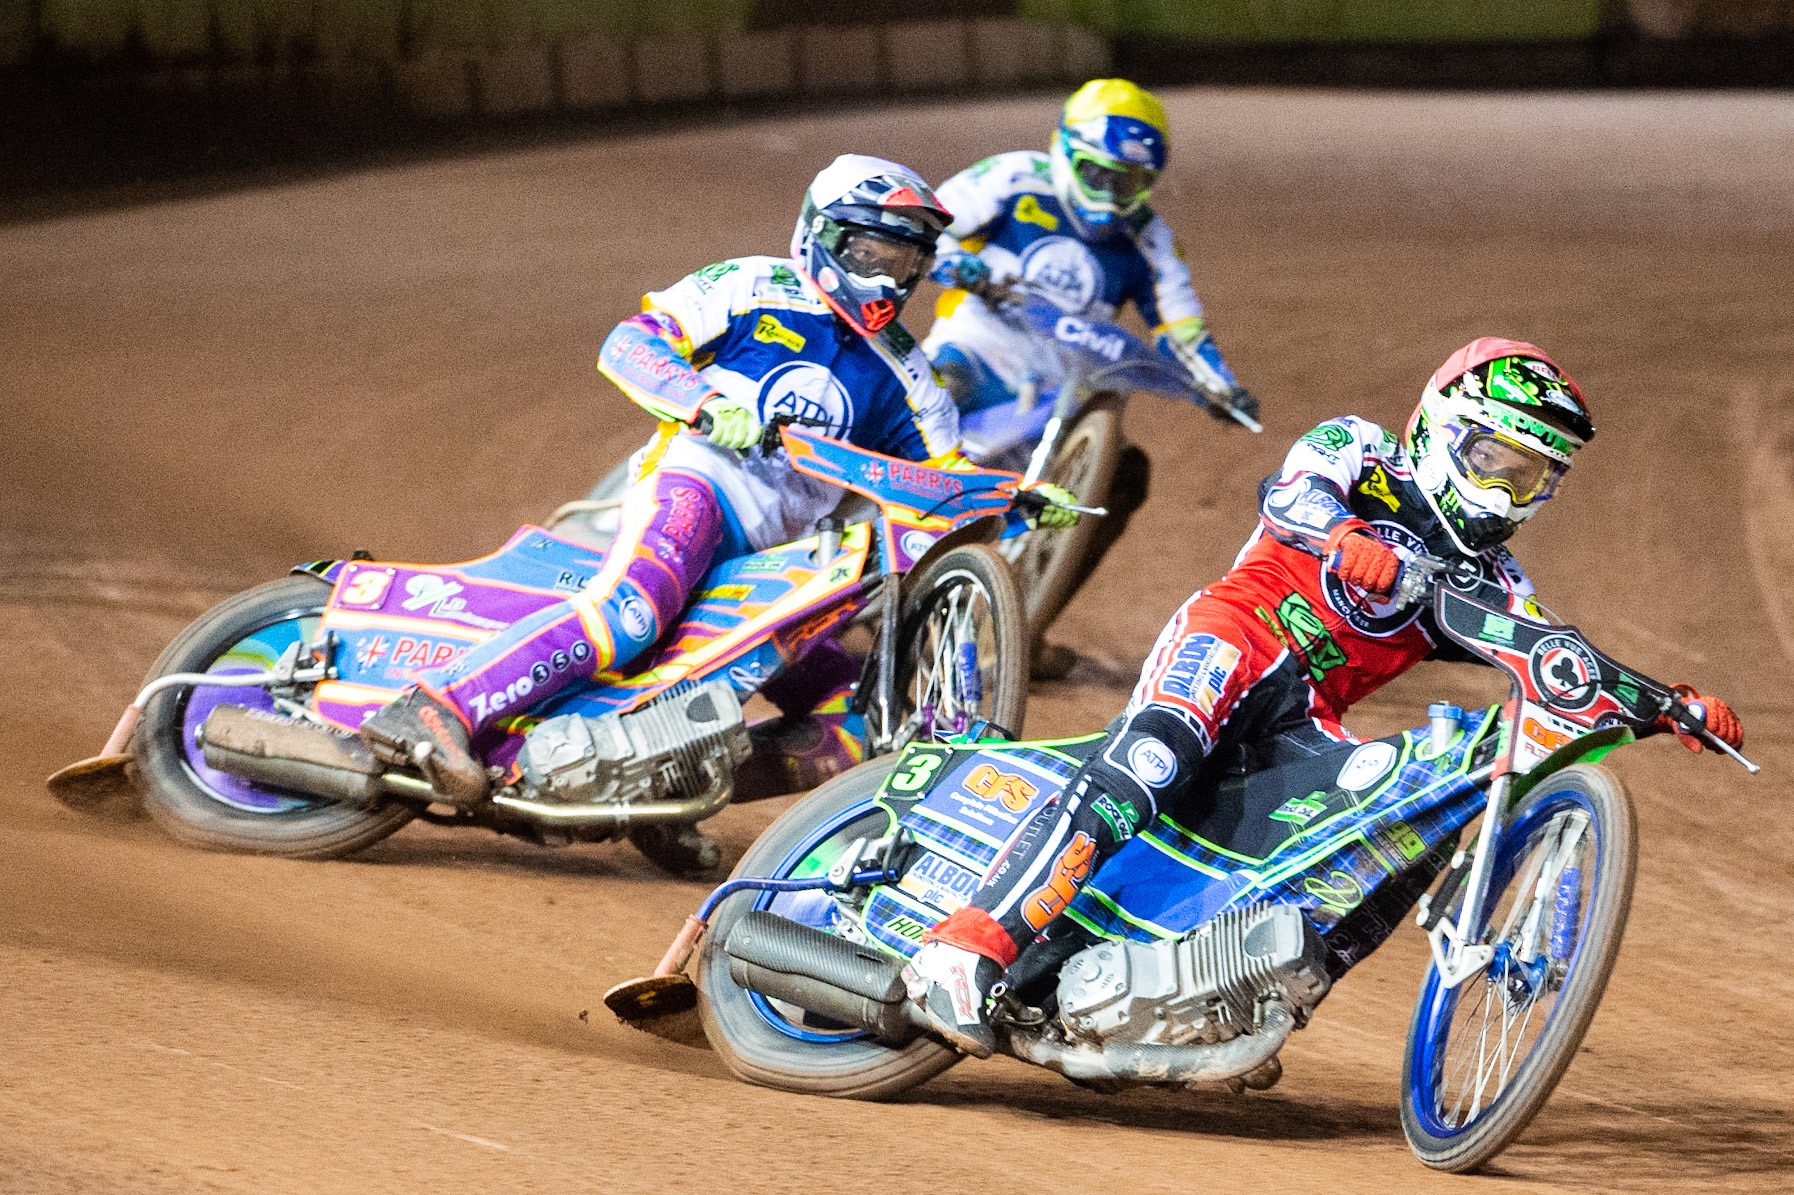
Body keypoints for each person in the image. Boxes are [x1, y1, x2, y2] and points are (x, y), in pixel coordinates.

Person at [902, 337, 1745, 1056]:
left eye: (1533, 477)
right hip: (1235, 636)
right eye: (1495, 459)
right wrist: (1346, 536)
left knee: (1362, 842)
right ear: (1444, 429)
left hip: (1305, 714)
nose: (1508, 491)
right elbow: (1289, 495)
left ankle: (1219, 994)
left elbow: (1559, 660)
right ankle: (966, 946)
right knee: (1151, 763)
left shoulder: (1491, 581)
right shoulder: (1363, 450)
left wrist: (1668, 703)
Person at [353, 155, 1078, 808]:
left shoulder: (904, 369)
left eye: (905, 263)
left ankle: (670, 784)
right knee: (629, 615)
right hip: (698, 488)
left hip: (779, 558)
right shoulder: (752, 284)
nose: (889, 279)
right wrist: (703, 405)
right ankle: (436, 705)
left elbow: (942, 476)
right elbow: (632, 341)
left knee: (849, 723)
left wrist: (1016, 495)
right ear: (823, 237)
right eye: (871, 255)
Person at [922, 79, 1258, 672]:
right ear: (1065, 151)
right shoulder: (1012, 177)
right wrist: (961, 265)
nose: (1109, 196)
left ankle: (1027, 630)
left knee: (1126, 475)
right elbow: (924, 228)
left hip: (1064, 389)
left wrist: (1221, 387)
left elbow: (1181, 329)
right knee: (931, 390)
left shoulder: (1148, 238)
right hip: (975, 350)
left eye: (1127, 183)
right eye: (1097, 175)